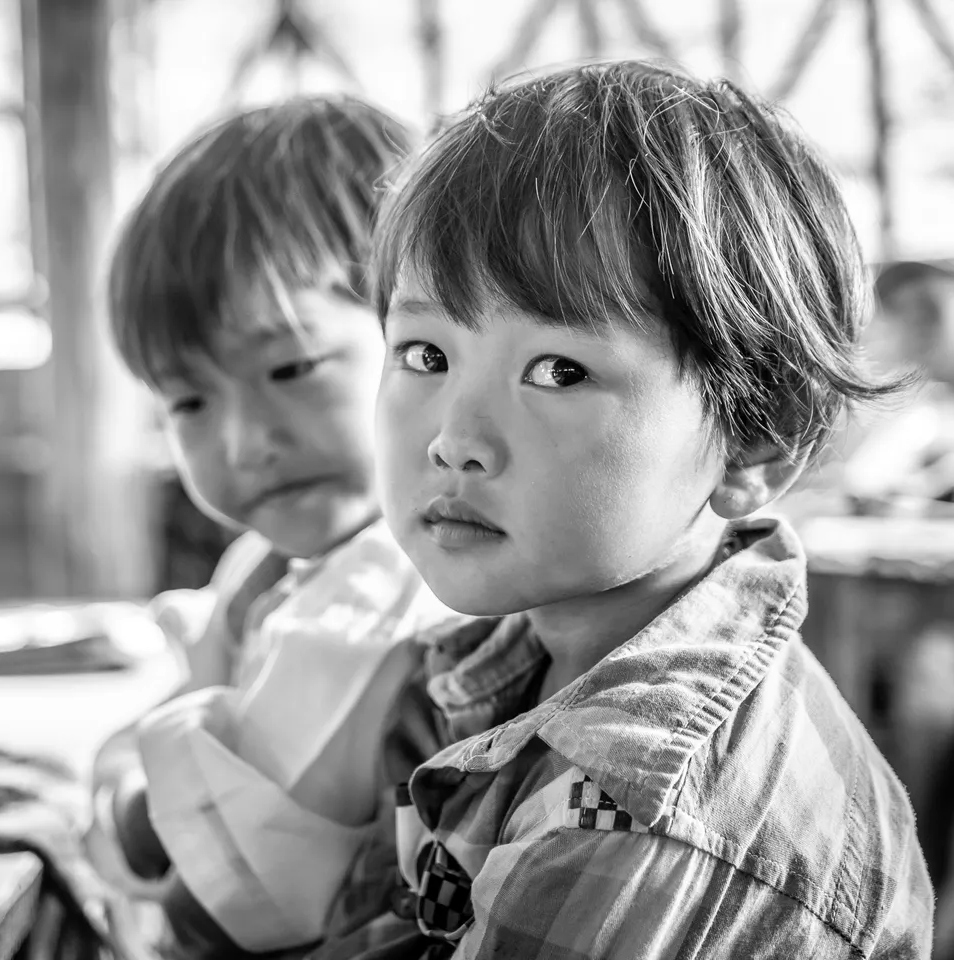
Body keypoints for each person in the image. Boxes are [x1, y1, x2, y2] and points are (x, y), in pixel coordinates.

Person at [312, 61, 934, 958]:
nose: (455, 439)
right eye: (423, 354)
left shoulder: (639, 821)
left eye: (559, 371)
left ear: (756, 441)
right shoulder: (522, 650)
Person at [86, 96, 460, 958]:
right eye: (188, 401)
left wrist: (121, 808)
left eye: (291, 368)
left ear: (428, 341)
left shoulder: (396, 575)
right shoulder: (262, 566)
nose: (246, 443)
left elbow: (216, 872)